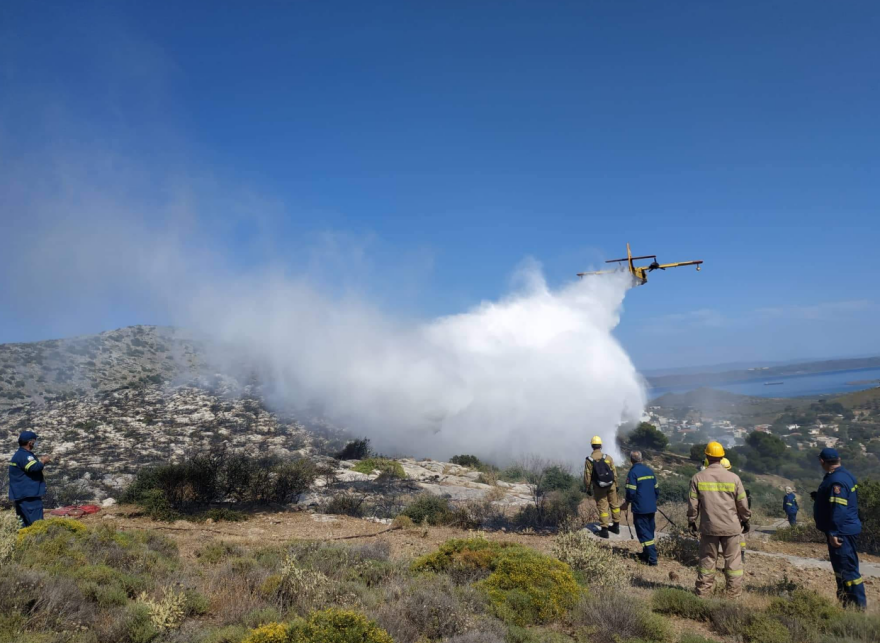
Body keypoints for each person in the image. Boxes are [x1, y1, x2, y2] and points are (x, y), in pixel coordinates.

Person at [687, 442, 751, 598]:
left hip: (709, 527)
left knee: (707, 561)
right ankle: (733, 597)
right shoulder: (734, 478)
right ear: (722, 457)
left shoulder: (697, 478)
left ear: (707, 456)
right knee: (734, 563)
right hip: (731, 527)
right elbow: (742, 503)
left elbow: (693, 504)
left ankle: (702, 595)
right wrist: (745, 520)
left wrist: (691, 521)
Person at [813, 447, 866, 610]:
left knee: (848, 571)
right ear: (839, 459)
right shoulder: (844, 475)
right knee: (842, 570)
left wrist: (834, 532)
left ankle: (857, 608)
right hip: (845, 529)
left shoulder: (836, 481)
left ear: (822, 461)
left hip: (841, 532)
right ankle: (846, 603)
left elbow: (839, 508)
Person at [621, 450, 659, 565]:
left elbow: (631, 492)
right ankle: (646, 554)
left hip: (640, 508)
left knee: (643, 533)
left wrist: (626, 503)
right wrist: (651, 501)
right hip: (651, 507)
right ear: (641, 459)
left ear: (631, 460)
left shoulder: (633, 473)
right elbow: (656, 490)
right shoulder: (649, 471)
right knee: (649, 531)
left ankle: (652, 559)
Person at [8, 431, 50, 527]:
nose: (36, 443)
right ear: (30, 442)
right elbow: (34, 468)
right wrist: (43, 461)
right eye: (35, 441)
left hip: (21, 495)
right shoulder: (25, 456)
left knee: (24, 525)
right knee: (37, 525)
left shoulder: (19, 455)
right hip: (29, 496)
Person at [584, 435, 620, 538]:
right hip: (611, 485)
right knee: (614, 504)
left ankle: (604, 530)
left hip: (599, 487)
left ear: (592, 446)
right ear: (601, 446)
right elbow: (614, 472)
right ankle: (616, 526)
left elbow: (588, 475)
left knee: (603, 507)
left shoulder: (589, 460)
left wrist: (588, 488)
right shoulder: (608, 458)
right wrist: (616, 484)